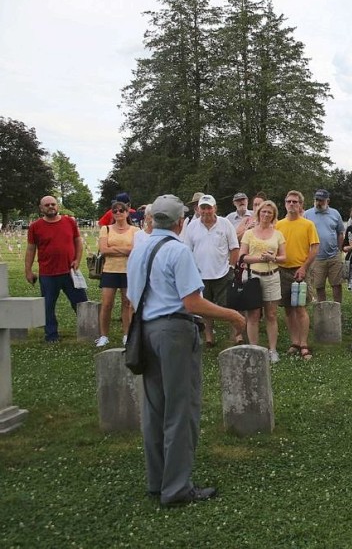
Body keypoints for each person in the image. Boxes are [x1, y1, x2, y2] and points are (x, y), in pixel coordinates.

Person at [127, 194, 245, 506]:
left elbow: (132, 296)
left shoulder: (139, 250)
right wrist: (232, 315)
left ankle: (157, 481)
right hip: (174, 331)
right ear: (181, 222)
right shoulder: (178, 251)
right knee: (180, 410)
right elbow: (192, 302)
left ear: (153, 220)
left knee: (154, 409)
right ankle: (177, 488)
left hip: (145, 330)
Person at [24, 196, 88, 342]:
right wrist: (28, 270)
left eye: (53, 204)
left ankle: (89, 331)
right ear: (41, 208)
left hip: (69, 272)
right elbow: (30, 249)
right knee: (48, 306)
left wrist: (77, 259)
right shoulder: (35, 226)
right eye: (47, 205)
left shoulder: (69, 222)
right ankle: (51, 335)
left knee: (81, 304)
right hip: (48, 273)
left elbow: (78, 241)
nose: (50, 207)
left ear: (57, 206)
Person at [183, 194, 240, 347]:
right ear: (198, 209)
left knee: (228, 306)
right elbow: (187, 250)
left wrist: (232, 267)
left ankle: (235, 336)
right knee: (205, 308)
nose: (206, 211)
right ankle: (209, 337)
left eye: (209, 207)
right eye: (203, 208)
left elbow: (234, 248)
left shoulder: (225, 223)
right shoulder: (192, 226)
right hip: (199, 275)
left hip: (222, 273)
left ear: (215, 208)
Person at [240, 200, 286, 363]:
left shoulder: (278, 234)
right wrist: (259, 257)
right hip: (253, 276)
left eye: (270, 213)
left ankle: (272, 349)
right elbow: (242, 256)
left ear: (274, 215)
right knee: (252, 314)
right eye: (263, 212)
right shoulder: (249, 233)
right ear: (258, 213)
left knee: (271, 315)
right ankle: (255, 349)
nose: (266, 215)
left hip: (272, 276)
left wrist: (272, 258)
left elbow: (283, 257)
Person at [276, 190, 319, 360]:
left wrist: (304, 267)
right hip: (282, 270)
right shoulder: (278, 225)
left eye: (295, 202)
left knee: (300, 308)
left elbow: (314, 248)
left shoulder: (308, 225)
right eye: (289, 201)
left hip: (301, 270)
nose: (291, 204)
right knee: (288, 308)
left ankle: (304, 343)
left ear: (301, 204)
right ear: (285, 204)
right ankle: (294, 342)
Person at [95, 200, 137, 347]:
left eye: (121, 210)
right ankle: (103, 335)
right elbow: (104, 250)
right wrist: (124, 250)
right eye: (115, 211)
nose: (118, 213)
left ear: (127, 212)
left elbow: (135, 250)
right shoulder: (105, 229)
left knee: (127, 304)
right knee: (106, 304)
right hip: (110, 270)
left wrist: (114, 249)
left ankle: (127, 334)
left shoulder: (134, 230)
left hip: (128, 271)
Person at [304, 189, 345, 303]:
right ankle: (322, 309)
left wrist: (339, 250)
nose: (319, 202)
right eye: (317, 200)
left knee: (336, 284)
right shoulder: (307, 214)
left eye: (321, 200)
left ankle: (337, 308)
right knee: (319, 285)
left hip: (333, 255)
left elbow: (340, 233)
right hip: (316, 257)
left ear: (328, 201)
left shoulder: (335, 213)